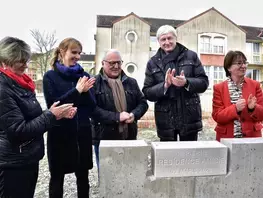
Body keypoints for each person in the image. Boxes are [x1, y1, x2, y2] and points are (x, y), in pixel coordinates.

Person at [0, 37, 76, 198]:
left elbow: (31, 118)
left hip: (26, 159)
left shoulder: (19, 83)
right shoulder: (3, 88)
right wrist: (51, 115)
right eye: (20, 61)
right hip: (12, 164)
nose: (26, 65)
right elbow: (17, 131)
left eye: (25, 60)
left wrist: (57, 114)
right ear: (5, 61)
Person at [43, 38, 96, 198]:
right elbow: (54, 105)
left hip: (82, 134)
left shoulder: (85, 76)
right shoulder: (50, 77)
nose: (78, 56)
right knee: (57, 179)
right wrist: (77, 90)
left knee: (83, 178)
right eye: (74, 52)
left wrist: (84, 92)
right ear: (62, 52)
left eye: (80, 53)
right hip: (60, 135)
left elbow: (92, 105)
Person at [142, 25, 209, 142]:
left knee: (190, 157)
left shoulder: (191, 56)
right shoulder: (152, 63)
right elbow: (147, 92)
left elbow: (203, 83)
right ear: (158, 41)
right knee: (168, 157)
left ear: (175, 38)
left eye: (170, 38)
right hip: (165, 119)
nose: (167, 42)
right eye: (163, 39)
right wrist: (164, 86)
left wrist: (186, 82)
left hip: (189, 117)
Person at [91, 49, 148, 174]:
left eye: (119, 62)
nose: (116, 66)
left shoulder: (131, 82)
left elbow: (143, 103)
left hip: (129, 136)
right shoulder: (94, 83)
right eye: (111, 63)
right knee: (107, 176)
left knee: (128, 172)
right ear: (103, 63)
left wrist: (134, 114)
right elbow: (92, 110)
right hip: (104, 138)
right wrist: (117, 117)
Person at [212, 50, 263, 141]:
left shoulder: (255, 85)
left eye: (244, 63)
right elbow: (217, 116)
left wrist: (253, 109)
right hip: (227, 139)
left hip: (252, 138)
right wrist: (235, 108)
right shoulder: (219, 88)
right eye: (239, 63)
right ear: (229, 67)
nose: (243, 66)